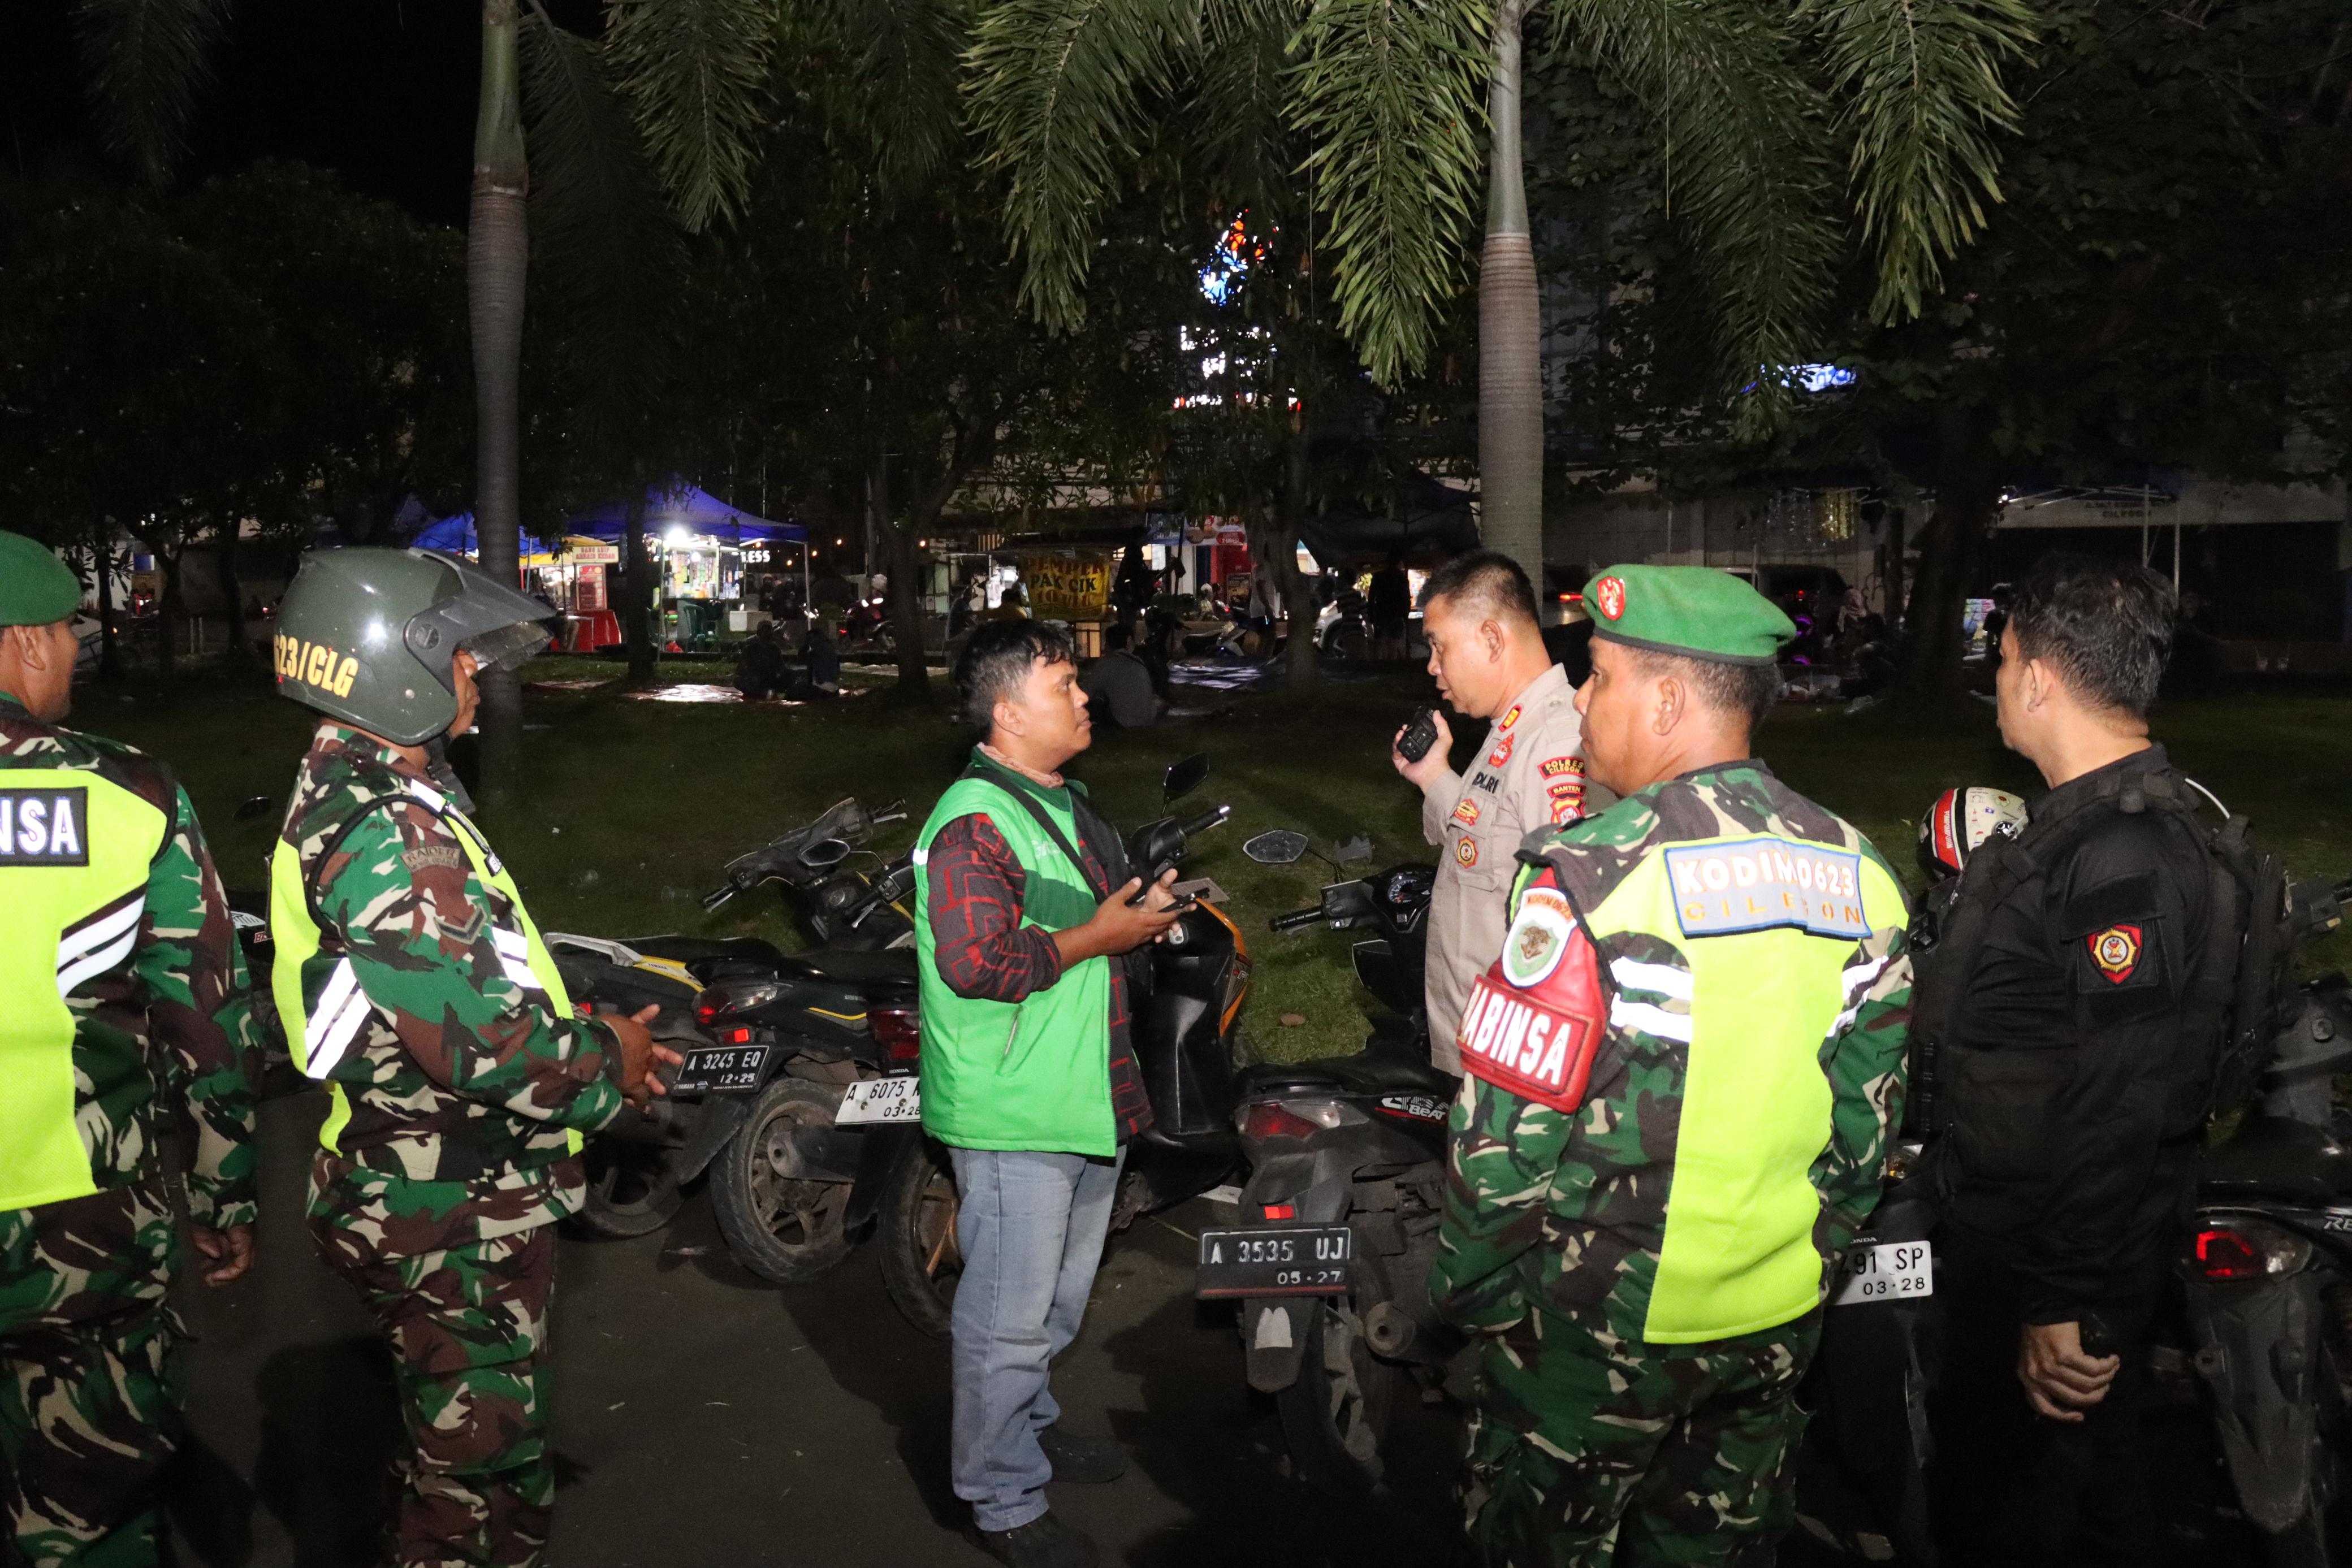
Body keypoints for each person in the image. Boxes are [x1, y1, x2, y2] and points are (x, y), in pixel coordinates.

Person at [1433, 564, 1914, 1567]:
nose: (1583, 703)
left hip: (1591, 1329)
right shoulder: (1860, 872)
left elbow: (1500, 1149)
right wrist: (1802, 1262)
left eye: (1600, 678)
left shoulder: (1589, 878)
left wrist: (1483, 1307)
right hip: (1771, 1321)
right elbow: (1866, 1128)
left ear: (1665, 701)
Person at [266, 547, 678, 1568]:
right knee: (477, 1483)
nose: (472, 674)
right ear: (386, 665)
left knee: (461, 1449)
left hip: (424, 1177)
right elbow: (478, 1039)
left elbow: (454, 984)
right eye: (454, 655)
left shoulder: (359, 788)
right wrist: (610, 1057)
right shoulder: (390, 827)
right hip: (446, 1206)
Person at [1913, 555, 2215, 1566]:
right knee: (2093, 1497)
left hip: (2050, 1249)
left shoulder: (2119, 851)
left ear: (2040, 678)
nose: (1996, 681)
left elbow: (2122, 1090)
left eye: (2002, 660)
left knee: (2010, 1510)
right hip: (2049, 1235)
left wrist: (2061, 1300)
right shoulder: (2095, 827)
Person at [0, 531, 263, 1567]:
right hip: (81, 1239)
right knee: (88, 1514)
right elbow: (207, 1017)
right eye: (67, 629)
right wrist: (224, 1196)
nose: (76, 649)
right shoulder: (129, 794)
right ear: (24, 643)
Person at [913, 620, 1184, 1568]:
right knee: (1007, 1320)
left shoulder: (1061, 802)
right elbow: (979, 961)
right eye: (1063, 683)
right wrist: (1103, 936)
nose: (1083, 696)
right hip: (1014, 1107)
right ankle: (1000, 1496)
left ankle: (1026, 1427)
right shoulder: (973, 822)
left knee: (1056, 1307)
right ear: (1008, 711)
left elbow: (1076, 912)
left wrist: (1140, 916)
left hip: (1081, 1091)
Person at [1392, 550, 1612, 1072]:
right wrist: (1433, 776)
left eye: (1439, 646)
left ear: (1492, 639)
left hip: (1513, 1059)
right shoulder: (1511, 731)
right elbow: (1487, 841)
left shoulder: (1554, 744)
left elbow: (1572, 925)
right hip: (1477, 1042)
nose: (1432, 666)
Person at [1076, 619, 1161, 729]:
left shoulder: (1107, 662)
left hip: (1123, 720)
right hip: (1147, 718)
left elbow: (1087, 693)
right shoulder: (1138, 661)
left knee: (1087, 706)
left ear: (1107, 643)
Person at [1368, 550, 1412, 660]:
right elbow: (1406, 599)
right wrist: (1405, 614)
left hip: (1381, 615)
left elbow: (1371, 598)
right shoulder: (1401, 578)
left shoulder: (1378, 577)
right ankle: (1391, 666)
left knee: (1380, 647)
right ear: (1399, 563)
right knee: (1393, 647)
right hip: (1396, 616)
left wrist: (1372, 616)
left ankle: (1380, 667)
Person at [733, 620, 786, 700]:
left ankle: (763, 691)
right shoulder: (750, 649)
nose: (767, 633)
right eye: (765, 630)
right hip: (754, 681)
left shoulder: (775, 649)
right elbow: (740, 670)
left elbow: (781, 668)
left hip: (769, 681)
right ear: (759, 633)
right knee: (737, 681)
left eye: (769, 630)